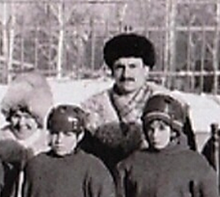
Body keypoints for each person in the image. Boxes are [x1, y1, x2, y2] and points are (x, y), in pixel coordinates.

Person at [80, 33, 195, 172]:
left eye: (133, 66)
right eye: (120, 67)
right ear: (112, 71)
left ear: (146, 70)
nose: (126, 74)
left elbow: (188, 156)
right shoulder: (93, 110)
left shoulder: (169, 105)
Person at [0, 71, 54, 164]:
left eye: (27, 117)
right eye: (16, 116)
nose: (21, 123)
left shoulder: (50, 144)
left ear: (38, 118)